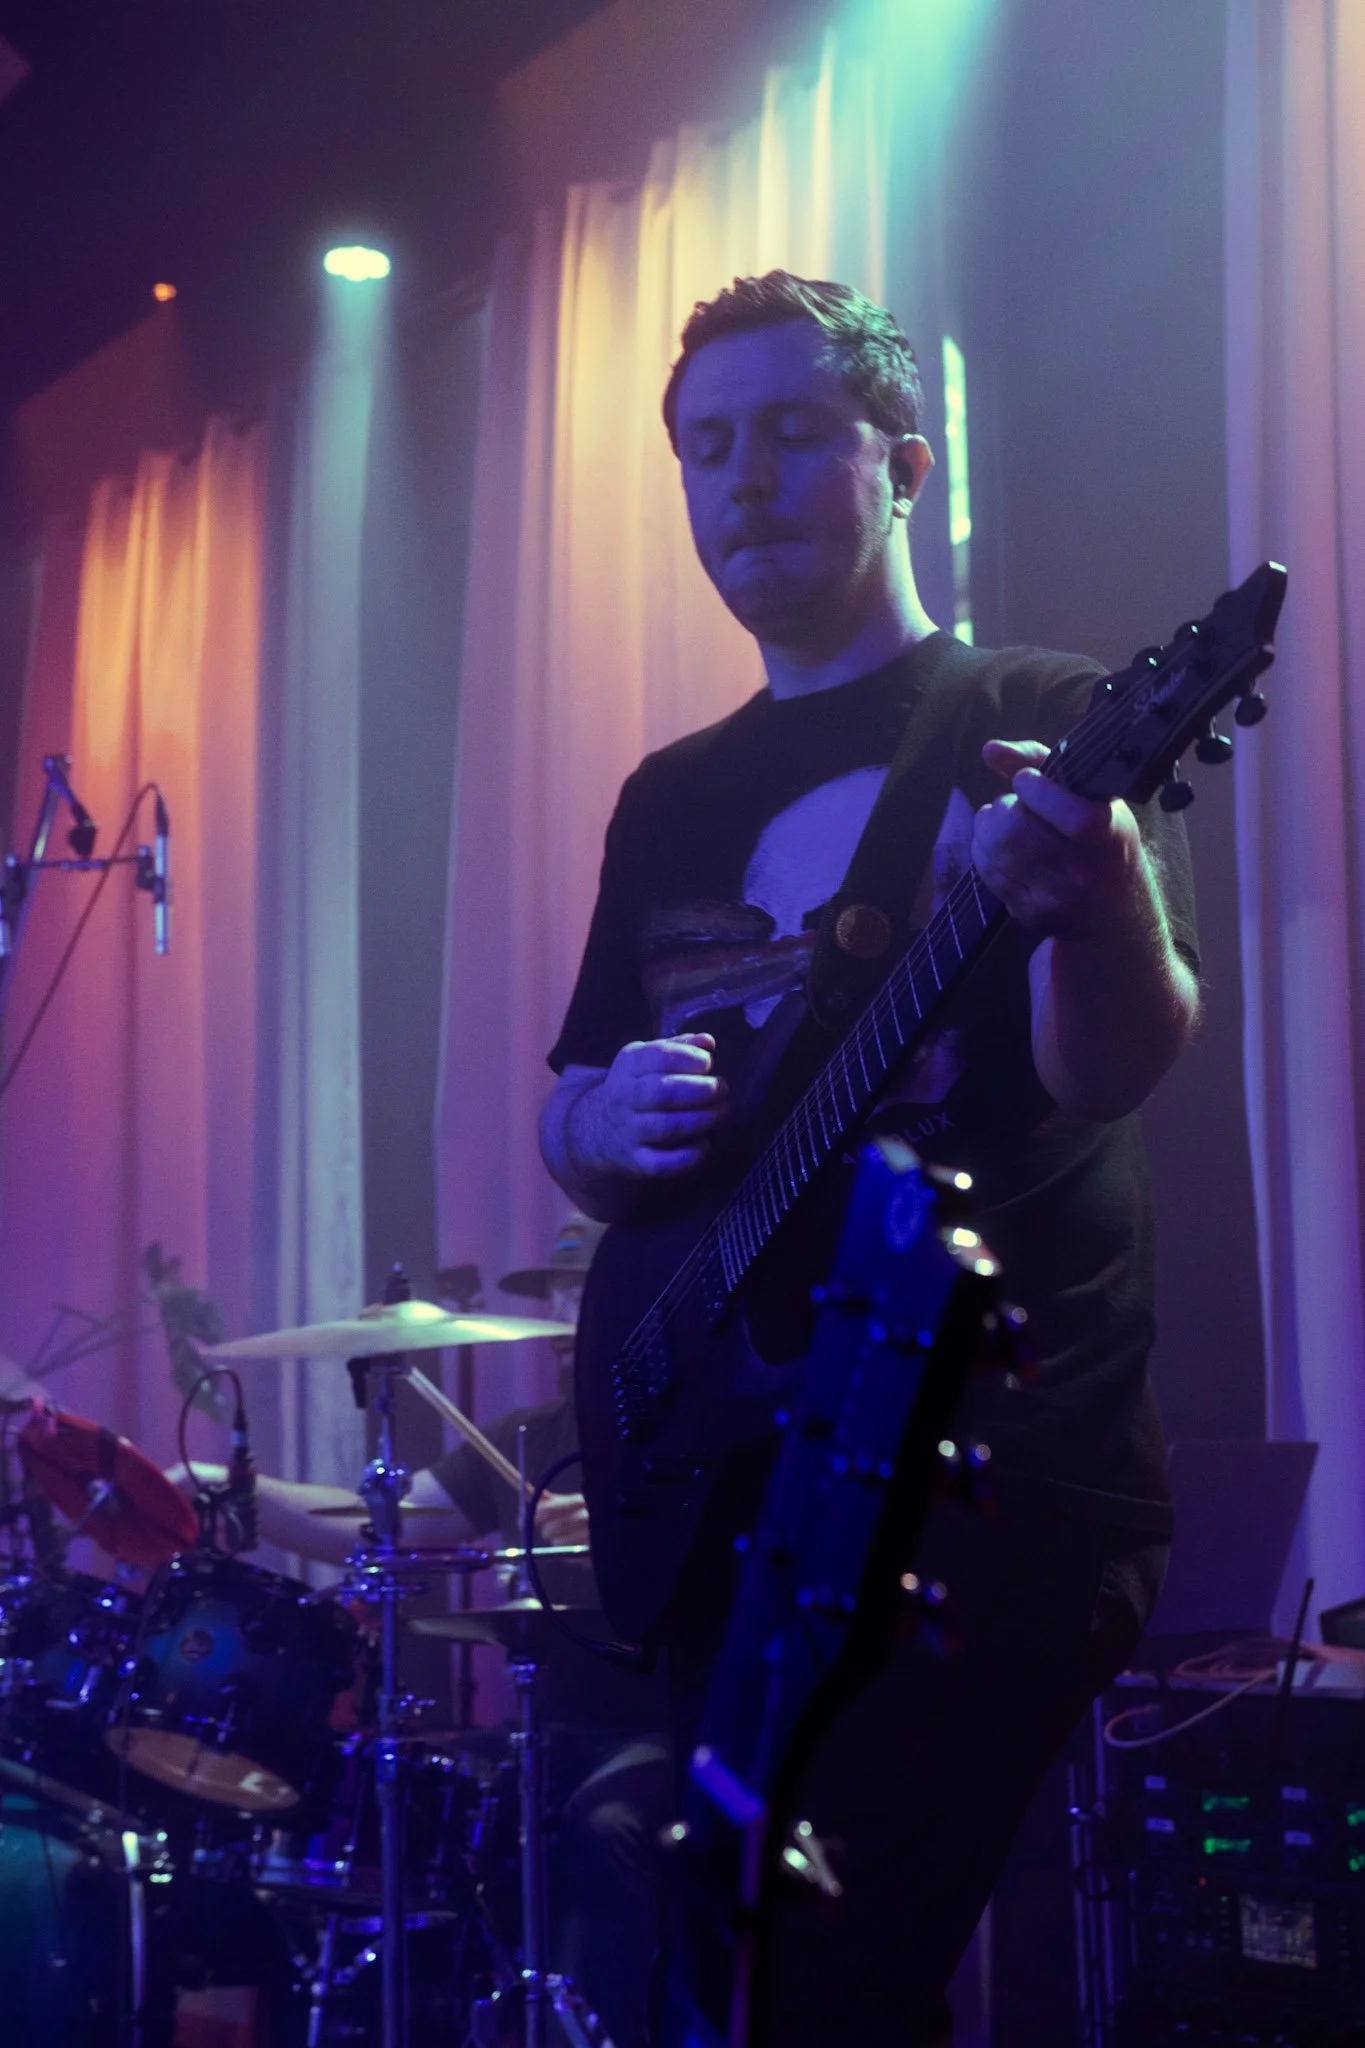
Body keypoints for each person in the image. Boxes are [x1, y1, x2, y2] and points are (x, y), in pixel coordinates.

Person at [538, 272, 1200, 2044]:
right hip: (730, 1472)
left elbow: (1112, 1063)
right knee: (697, 1960)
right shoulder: (670, 793)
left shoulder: (1049, 714)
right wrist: (590, 1121)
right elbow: (579, 1106)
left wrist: (1099, 891)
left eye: (790, 432)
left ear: (904, 460)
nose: (740, 478)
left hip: (981, 1471)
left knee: (810, 1986)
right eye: (704, 447)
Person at [171, 1214, 671, 2048]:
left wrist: (616, 1535)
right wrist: (227, 1485)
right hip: (548, 1731)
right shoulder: (524, 1433)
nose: (563, 1321)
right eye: (556, 1299)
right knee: (429, 1801)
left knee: (601, 1826)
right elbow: (380, 1525)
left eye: (584, 1295)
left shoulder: (673, 1427)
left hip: (660, 1730)